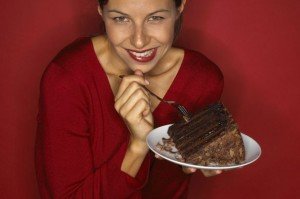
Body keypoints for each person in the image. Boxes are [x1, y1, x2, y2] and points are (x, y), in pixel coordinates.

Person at [35, 0, 224, 198]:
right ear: (101, 10)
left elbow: (182, 169)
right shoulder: (67, 79)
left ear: (180, 7)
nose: (139, 41)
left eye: (156, 18)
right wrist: (139, 144)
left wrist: (203, 155)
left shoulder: (204, 79)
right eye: (121, 18)